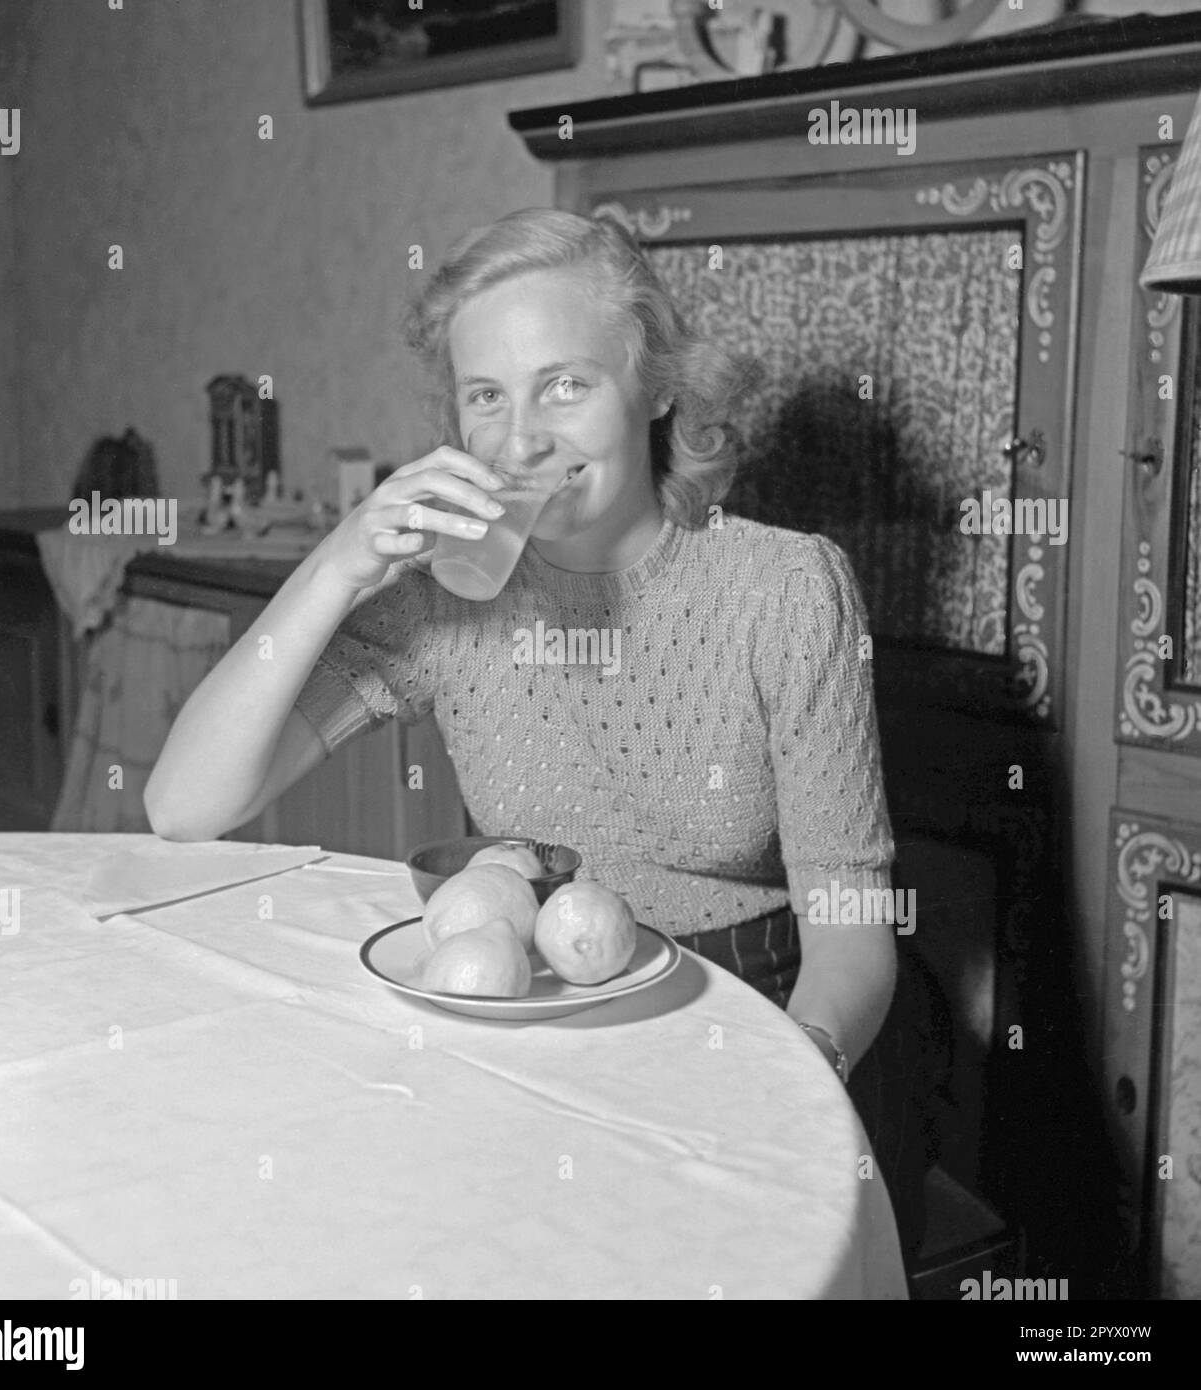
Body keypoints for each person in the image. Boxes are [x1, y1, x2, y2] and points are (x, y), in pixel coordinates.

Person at [144, 208, 936, 1260]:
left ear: (653, 387)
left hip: (768, 1018)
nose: (520, 439)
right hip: (536, 1014)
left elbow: (849, 931)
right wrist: (336, 563)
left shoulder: (784, 588)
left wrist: (782, 1078)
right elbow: (183, 804)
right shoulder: (440, 601)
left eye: (564, 384)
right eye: (485, 397)